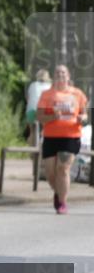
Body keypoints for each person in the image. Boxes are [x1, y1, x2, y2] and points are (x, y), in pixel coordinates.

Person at [36, 64, 88, 214]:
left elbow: (85, 115)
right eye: (57, 73)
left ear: (68, 76)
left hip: (70, 136)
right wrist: (53, 116)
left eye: (63, 73)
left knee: (63, 169)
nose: (60, 75)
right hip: (51, 136)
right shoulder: (47, 95)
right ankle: (59, 193)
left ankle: (62, 203)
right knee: (50, 173)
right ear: (54, 77)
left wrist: (81, 118)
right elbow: (39, 117)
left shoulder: (77, 94)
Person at [25, 69, 52, 145]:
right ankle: (42, 150)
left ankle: (30, 152)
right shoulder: (49, 86)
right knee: (45, 131)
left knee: (32, 132)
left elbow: (28, 99)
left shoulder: (32, 85)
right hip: (43, 111)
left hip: (31, 110)